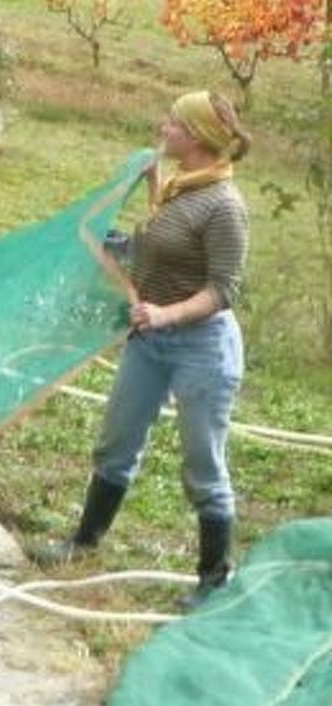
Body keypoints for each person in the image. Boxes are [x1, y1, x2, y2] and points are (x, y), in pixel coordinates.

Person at [49, 90, 251, 607]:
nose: (164, 128)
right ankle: (84, 542)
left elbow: (224, 289)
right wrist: (153, 182)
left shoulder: (225, 206)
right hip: (150, 340)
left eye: (174, 123)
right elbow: (168, 237)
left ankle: (214, 579)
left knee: (203, 463)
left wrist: (166, 313)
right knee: (116, 442)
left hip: (202, 348)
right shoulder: (184, 186)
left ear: (197, 137)